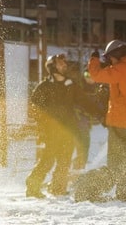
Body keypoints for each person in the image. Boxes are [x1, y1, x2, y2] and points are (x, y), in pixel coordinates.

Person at [25, 53, 101, 198]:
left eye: (64, 63)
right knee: (47, 160)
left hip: (68, 130)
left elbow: (85, 102)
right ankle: (32, 187)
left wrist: (101, 114)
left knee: (64, 160)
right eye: (60, 63)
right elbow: (33, 109)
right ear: (52, 67)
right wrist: (45, 121)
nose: (64, 65)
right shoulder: (44, 87)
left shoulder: (70, 85)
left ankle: (58, 188)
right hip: (51, 132)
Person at [77, 39, 126, 202]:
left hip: (120, 121)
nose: (109, 62)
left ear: (117, 55)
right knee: (121, 160)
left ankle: (93, 190)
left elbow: (96, 74)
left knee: (115, 162)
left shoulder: (121, 69)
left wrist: (93, 59)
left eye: (110, 58)